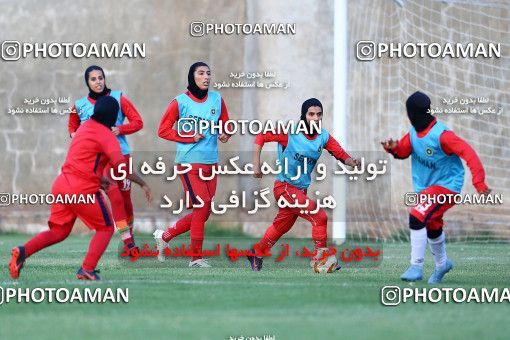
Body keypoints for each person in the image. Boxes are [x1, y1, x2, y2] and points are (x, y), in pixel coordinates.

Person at [10, 96, 152, 281]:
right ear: (113, 115)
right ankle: (87, 269)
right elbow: (121, 168)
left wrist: (99, 177)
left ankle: (23, 251)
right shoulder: (108, 136)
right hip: (82, 189)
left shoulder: (84, 128)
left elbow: (82, 159)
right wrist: (142, 182)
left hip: (62, 185)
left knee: (59, 232)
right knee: (106, 228)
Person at [381, 91, 491, 284]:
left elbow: (469, 153)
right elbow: (403, 150)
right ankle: (442, 264)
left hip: (447, 187)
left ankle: (416, 266)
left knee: (417, 216)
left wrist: (479, 183)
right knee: (432, 224)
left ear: (412, 113)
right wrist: (392, 148)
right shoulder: (414, 133)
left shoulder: (443, 136)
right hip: (427, 189)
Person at [247, 98, 359, 271]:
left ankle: (257, 252)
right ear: (304, 115)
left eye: (319, 114)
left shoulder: (323, 136)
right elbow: (261, 136)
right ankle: (321, 258)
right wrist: (256, 165)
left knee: (281, 226)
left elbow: (339, 152)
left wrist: (351, 161)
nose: (315, 118)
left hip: (300, 190)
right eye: (311, 114)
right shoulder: (289, 132)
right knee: (319, 216)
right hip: (284, 187)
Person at [154, 62, 231, 268]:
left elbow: (226, 124)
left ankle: (166, 236)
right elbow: (163, 130)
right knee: (202, 204)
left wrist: (225, 134)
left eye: (208, 73)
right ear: (192, 77)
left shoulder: (217, 99)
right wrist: (189, 136)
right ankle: (195, 258)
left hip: (211, 164)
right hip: (188, 163)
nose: (206, 77)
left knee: (204, 212)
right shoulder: (180, 102)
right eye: (201, 73)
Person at [68, 65, 143, 251]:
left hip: (121, 155)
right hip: (101, 160)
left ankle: (129, 236)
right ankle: (128, 243)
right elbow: (71, 128)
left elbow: (138, 122)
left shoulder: (118, 98)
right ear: (87, 82)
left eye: (100, 77)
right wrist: (77, 136)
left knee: (126, 199)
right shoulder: (78, 106)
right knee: (115, 195)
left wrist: (120, 129)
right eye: (93, 79)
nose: (98, 82)